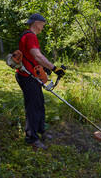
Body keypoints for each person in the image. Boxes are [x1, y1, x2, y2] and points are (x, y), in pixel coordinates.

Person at [15, 13, 65, 150]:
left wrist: (44, 69)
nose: (43, 28)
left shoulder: (28, 36)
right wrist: (54, 68)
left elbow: (33, 57)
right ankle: (32, 138)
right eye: (42, 25)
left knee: (39, 105)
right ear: (37, 23)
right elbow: (37, 56)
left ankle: (41, 131)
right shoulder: (30, 36)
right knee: (33, 107)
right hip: (27, 77)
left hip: (32, 76)